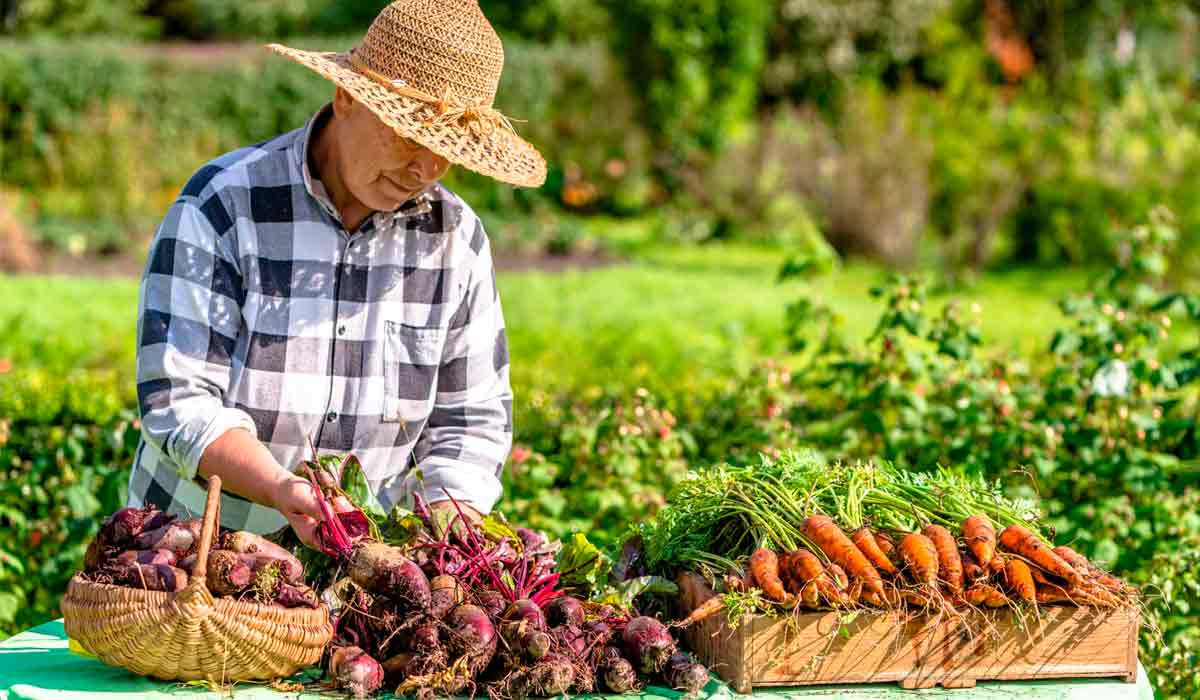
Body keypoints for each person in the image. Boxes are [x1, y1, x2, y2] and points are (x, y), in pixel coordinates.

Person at [127, 0, 546, 550]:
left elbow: (470, 422)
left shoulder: (455, 241)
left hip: (356, 579)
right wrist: (280, 487)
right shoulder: (227, 204)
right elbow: (178, 398)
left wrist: (446, 532)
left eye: (446, 151)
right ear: (346, 97)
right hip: (192, 558)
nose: (424, 169)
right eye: (409, 137)